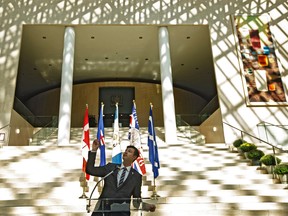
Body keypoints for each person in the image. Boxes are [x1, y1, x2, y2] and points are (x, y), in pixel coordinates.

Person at [86, 139, 156, 216]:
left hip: (121, 213)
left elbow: (136, 202)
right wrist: (94, 150)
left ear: (134, 157)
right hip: (102, 211)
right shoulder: (110, 168)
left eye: (129, 151)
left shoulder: (136, 177)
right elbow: (90, 170)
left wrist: (147, 206)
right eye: (126, 150)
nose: (126, 152)